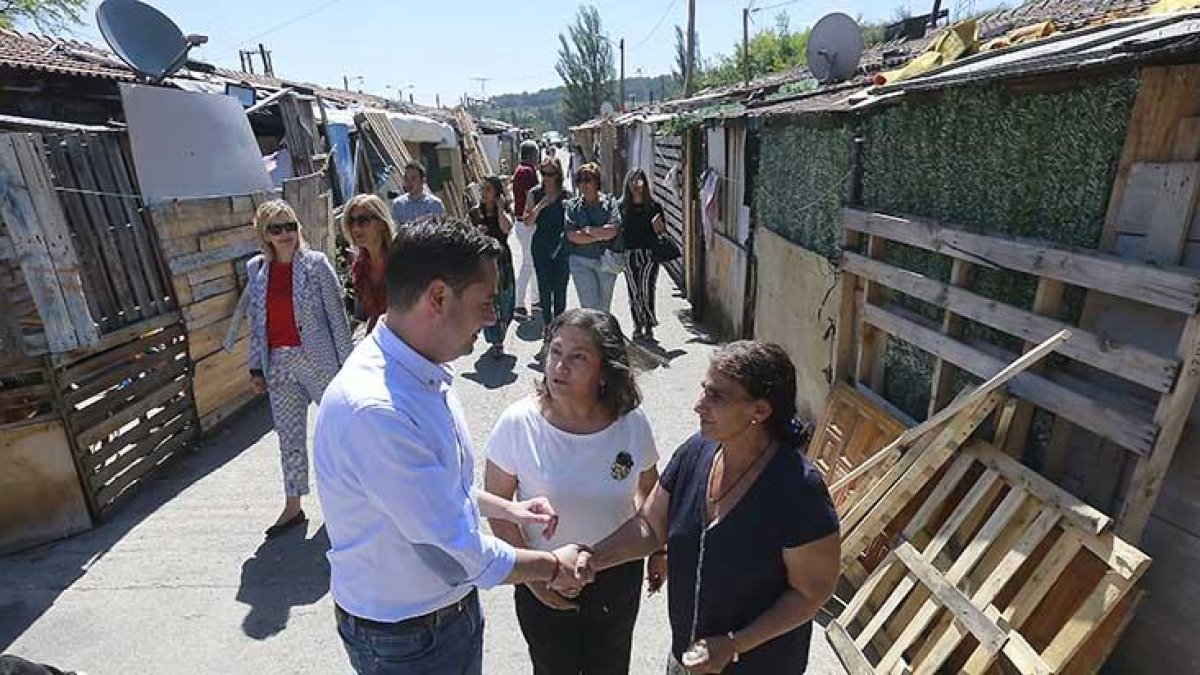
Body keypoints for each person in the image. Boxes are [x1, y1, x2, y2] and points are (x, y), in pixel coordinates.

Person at [313, 219, 595, 675]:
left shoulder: (419, 369)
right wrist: (551, 565)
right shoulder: (378, 409)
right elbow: (456, 548)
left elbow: (438, 486)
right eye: (485, 303)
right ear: (438, 297)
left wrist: (510, 511)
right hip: (407, 638)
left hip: (441, 616)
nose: (492, 318)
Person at [576, 341, 841, 674]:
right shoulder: (696, 453)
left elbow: (810, 593)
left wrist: (734, 645)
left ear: (759, 411)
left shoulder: (798, 491)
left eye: (716, 396)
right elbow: (651, 527)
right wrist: (593, 557)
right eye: (704, 390)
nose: (699, 405)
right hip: (688, 659)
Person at [483, 309, 664, 675]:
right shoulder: (518, 423)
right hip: (545, 573)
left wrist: (658, 548)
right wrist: (534, 577)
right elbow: (498, 510)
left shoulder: (630, 423)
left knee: (610, 667)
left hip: (616, 572)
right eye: (555, 351)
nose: (560, 366)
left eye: (578, 357)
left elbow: (650, 490)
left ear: (605, 370)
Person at [246, 199, 353, 537]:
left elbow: (338, 318)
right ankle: (293, 506)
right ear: (265, 234)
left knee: (342, 432)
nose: (286, 234)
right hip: (278, 363)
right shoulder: (257, 271)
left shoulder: (316, 264)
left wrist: (351, 367)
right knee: (289, 438)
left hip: (318, 361)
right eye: (277, 228)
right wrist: (255, 367)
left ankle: (353, 497)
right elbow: (256, 322)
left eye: (290, 225)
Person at [524, 156, 573, 342]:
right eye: (543, 173)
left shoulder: (566, 195)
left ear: (558, 175)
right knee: (544, 287)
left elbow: (574, 222)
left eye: (550, 174)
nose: (546, 177)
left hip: (561, 245)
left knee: (560, 287)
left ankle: (558, 326)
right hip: (541, 243)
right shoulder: (534, 193)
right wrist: (539, 207)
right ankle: (547, 325)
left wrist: (569, 210)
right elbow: (527, 222)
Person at [565, 162, 622, 312]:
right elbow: (572, 236)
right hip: (580, 261)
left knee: (603, 309)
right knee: (589, 308)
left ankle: (601, 336)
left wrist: (588, 230)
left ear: (597, 182)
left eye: (588, 180)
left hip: (606, 261)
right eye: (580, 180)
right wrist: (600, 235)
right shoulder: (573, 206)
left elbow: (612, 231)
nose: (583, 184)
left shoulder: (610, 203)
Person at [618, 169, 667, 341]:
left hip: (650, 254)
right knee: (634, 291)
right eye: (633, 181)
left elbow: (662, 233)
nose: (636, 185)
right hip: (629, 254)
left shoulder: (654, 206)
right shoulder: (621, 207)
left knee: (647, 289)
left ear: (645, 184)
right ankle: (637, 324)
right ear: (628, 185)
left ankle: (648, 324)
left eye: (639, 181)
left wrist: (657, 227)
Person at [470, 176, 515, 356]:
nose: (484, 193)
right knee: (488, 300)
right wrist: (476, 233)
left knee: (505, 300)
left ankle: (500, 329)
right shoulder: (475, 212)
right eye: (483, 189)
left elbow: (507, 229)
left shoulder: (503, 210)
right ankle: (496, 340)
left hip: (502, 261)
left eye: (488, 189)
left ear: (497, 192)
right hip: (483, 262)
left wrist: (499, 208)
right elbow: (468, 233)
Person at [341, 194, 396, 332]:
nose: (356, 228)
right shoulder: (359, 267)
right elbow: (367, 315)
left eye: (363, 220)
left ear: (382, 224)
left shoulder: (401, 259)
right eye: (352, 221)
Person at [512, 140, 542, 316]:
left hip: (522, 222)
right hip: (526, 223)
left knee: (532, 262)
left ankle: (535, 300)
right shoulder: (528, 171)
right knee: (528, 264)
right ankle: (519, 303)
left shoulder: (520, 170)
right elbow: (530, 197)